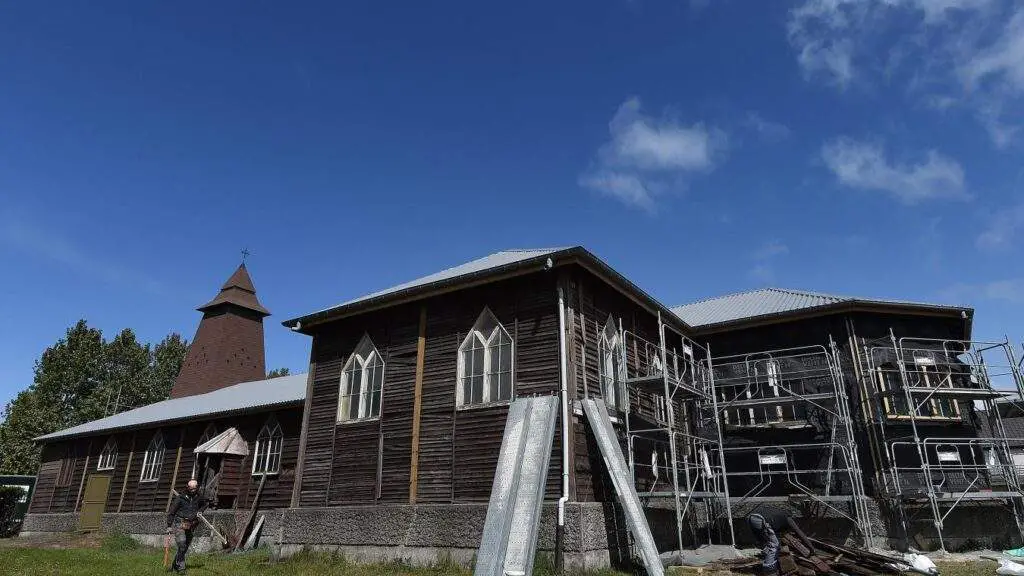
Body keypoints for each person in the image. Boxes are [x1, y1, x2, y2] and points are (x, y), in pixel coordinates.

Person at [747, 510, 812, 575]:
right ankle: (769, 570)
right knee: (774, 545)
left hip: (751, 517)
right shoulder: (788, 519)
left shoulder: (779, 516)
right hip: (761, 519)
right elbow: (799, 532)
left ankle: (768, 558)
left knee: (765, 542)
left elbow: (776, 532)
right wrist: (811, 547)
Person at [166, 479, 209, 573]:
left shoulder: (199, 497)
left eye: (195, 488)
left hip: (192, 524)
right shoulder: (180, 498)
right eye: (191, 488)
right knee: (182, 543)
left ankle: (174, 565)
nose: (193, 490)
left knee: (184, 547)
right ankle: (181, 567)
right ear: (187, 487)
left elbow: (206, 504)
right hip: (180, 523)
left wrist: (200, 511)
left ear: (197, 487)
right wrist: (169, 525)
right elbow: (172, 512)